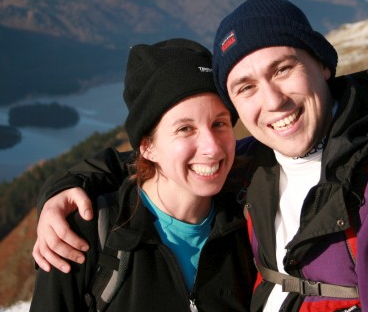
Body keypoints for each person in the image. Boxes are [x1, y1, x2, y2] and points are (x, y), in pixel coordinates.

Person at [33, 0, 368, 311]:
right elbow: (169, 164)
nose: (273, 101)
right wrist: (67, 186)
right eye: (246, 86)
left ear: (323, 65)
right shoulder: (259, 165)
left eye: (283, 69)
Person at [29, 38, 255, 311]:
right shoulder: (83, 234)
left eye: (219, 123)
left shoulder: (250, 222)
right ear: (147, 146)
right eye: (185, 129)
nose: (212, 147)